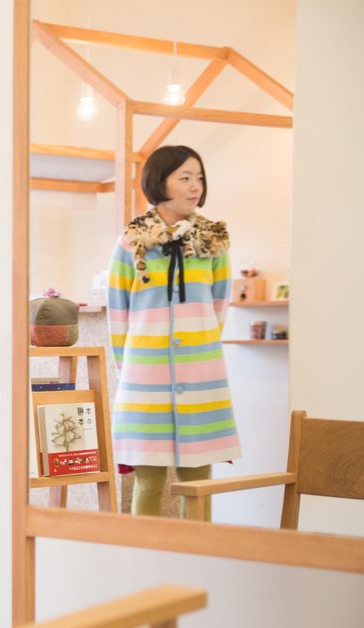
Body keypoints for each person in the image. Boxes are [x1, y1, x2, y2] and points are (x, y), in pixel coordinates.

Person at [106, 145, 240, 521]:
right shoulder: (131, 241)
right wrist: (128, 370)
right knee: (148, 480)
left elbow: (219, 305)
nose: (195, 186)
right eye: (185, 178)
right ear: (159, 181)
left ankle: (197, 551)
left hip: (201, 374)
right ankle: (143, 550)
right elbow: (118, 312)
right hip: (145, 377)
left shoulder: (214, 240)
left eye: (199, 178)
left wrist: (197, 343)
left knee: (197, 483)